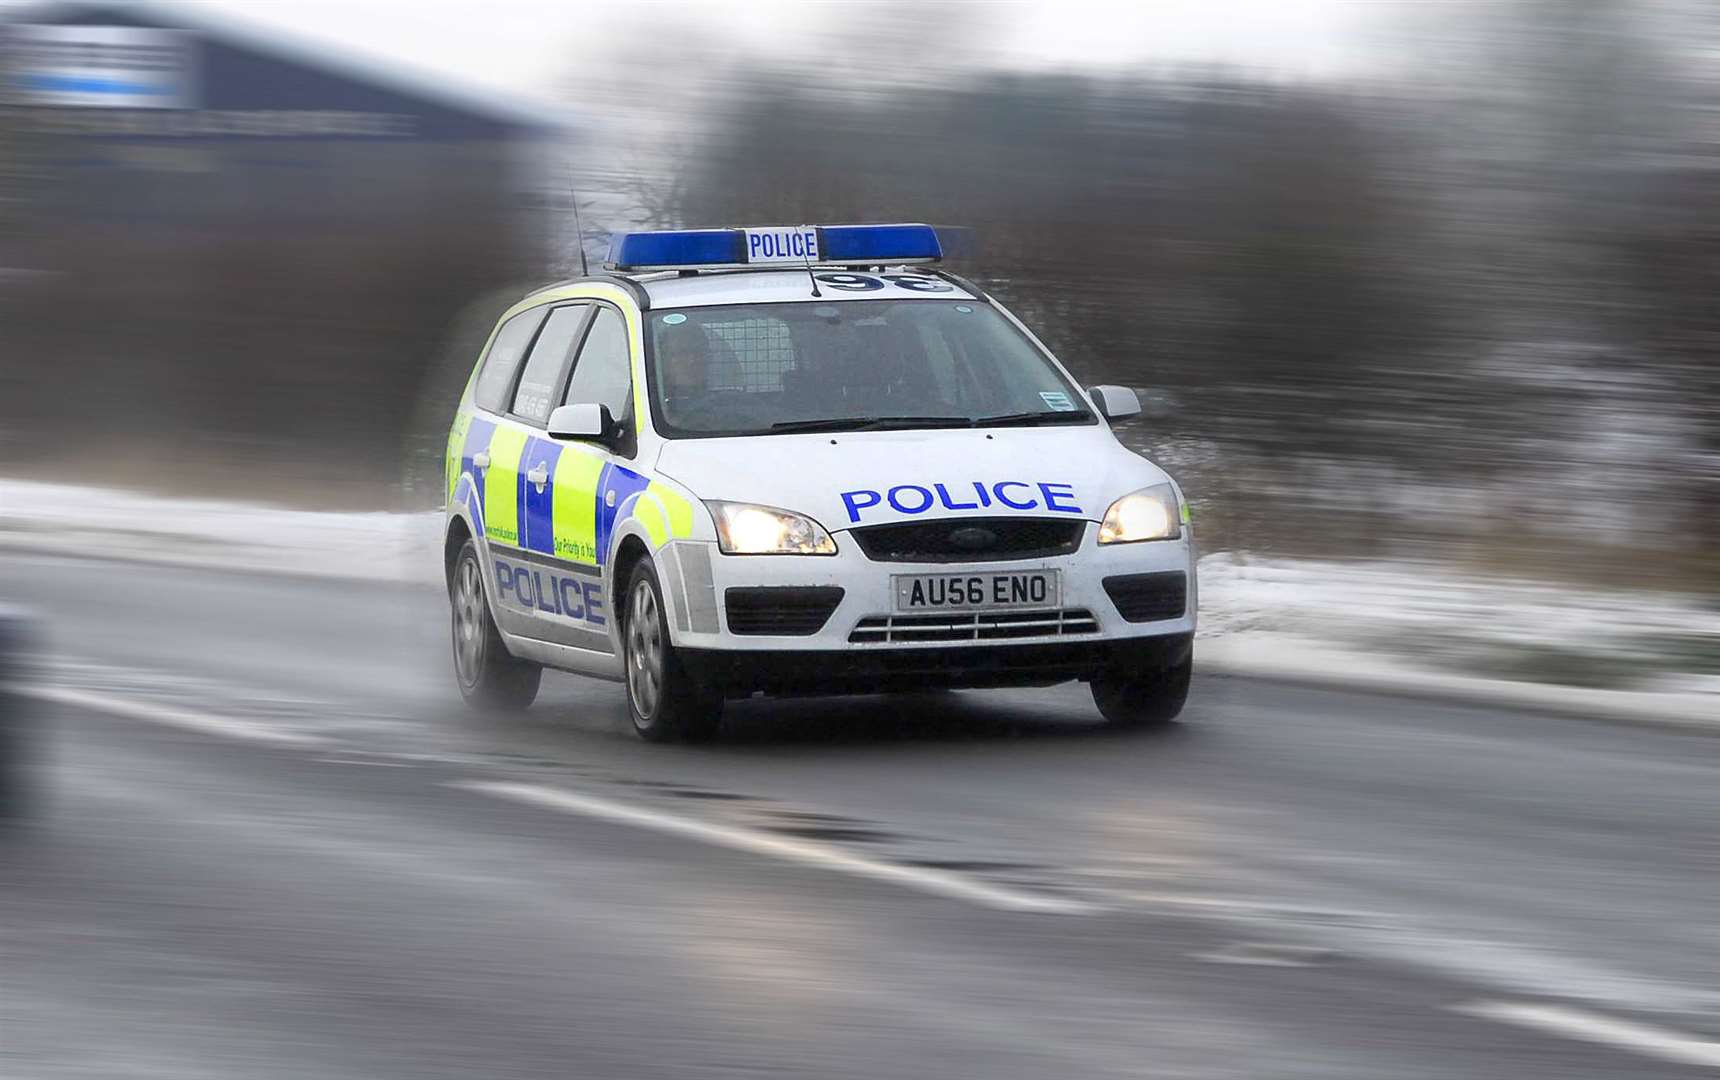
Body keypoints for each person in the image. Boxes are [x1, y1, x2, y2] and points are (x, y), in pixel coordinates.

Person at [658, 321, 717, 425]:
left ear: (709, 357)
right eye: (682, 353)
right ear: (662, 360)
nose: (692, 360)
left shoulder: (730, 404)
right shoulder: (646, 405)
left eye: (698, 351)